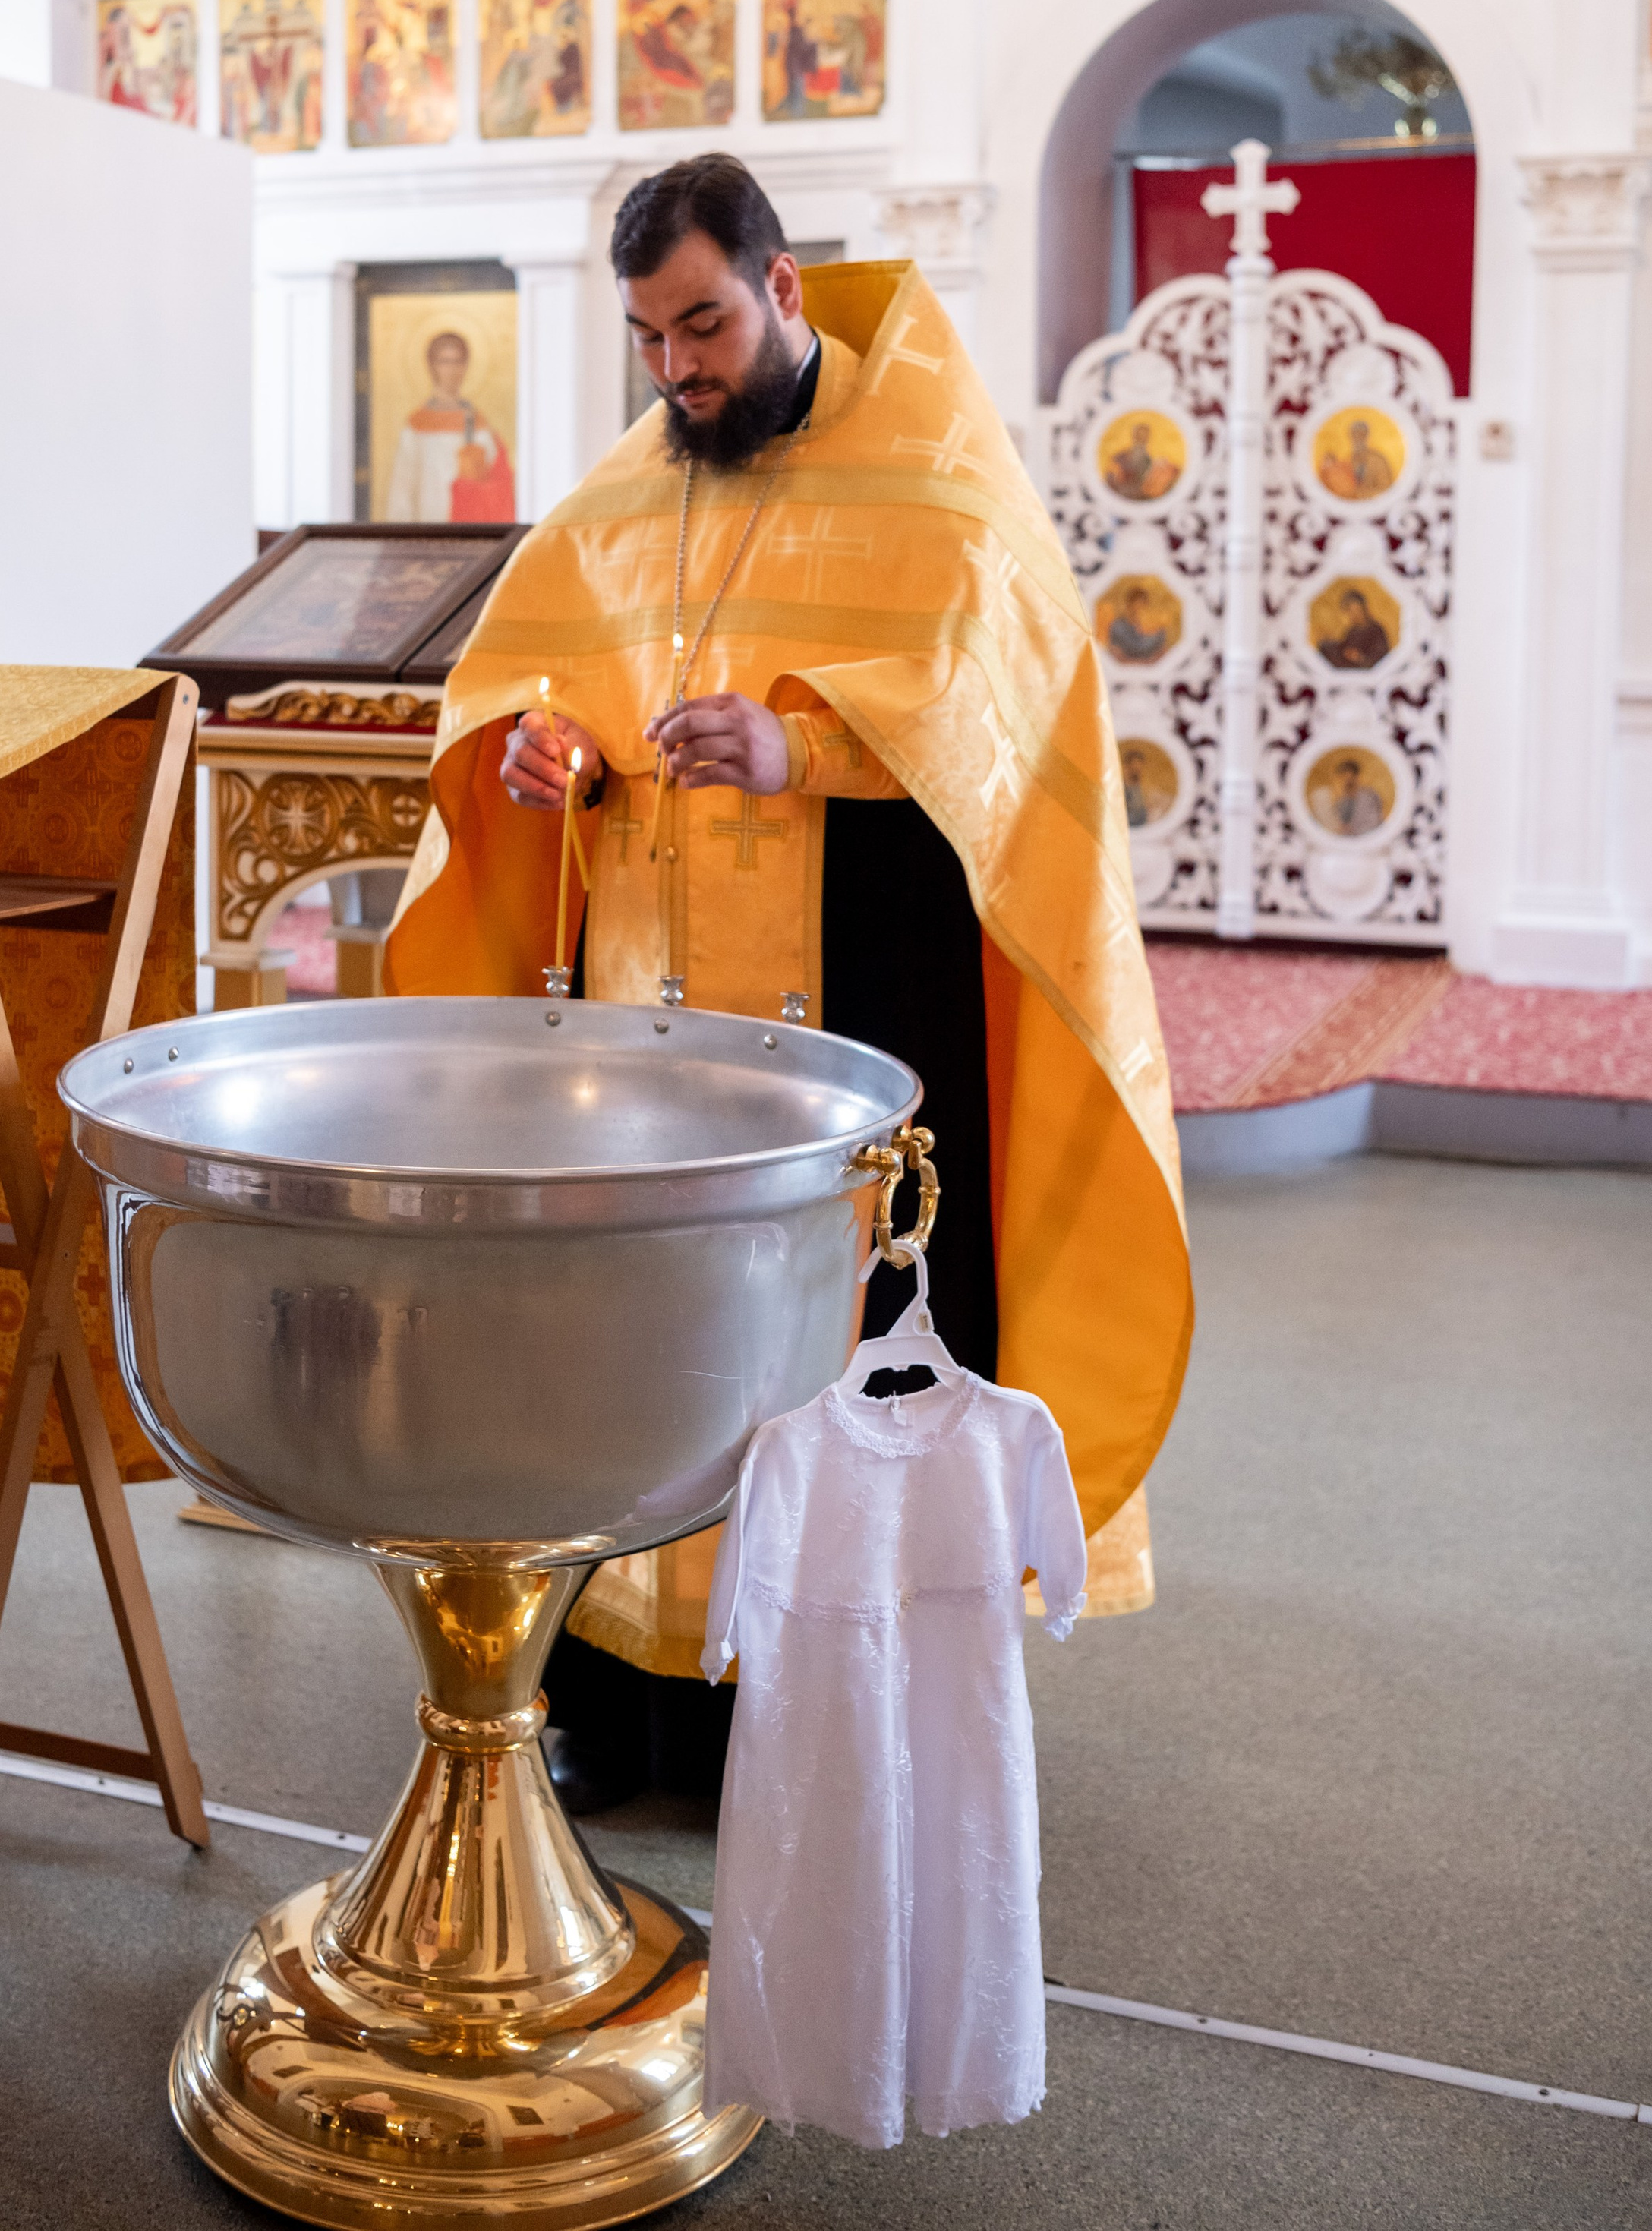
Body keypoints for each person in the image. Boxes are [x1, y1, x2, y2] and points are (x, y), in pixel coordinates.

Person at [386, 154, 1190, 1810]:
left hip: (852, 1000)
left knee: (818, 1344)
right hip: (650, 1019)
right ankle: (625, 1702)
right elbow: (534, 690)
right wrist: (553, 756)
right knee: (637, 1344)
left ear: (781, 289)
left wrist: (798, 740)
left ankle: (819, 1710)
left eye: (702, 324)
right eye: (648, 338)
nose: (679, 369)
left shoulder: (937, 470)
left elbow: (1002, 717)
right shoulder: (631, 486)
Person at [386, 330, 515, 523]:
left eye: (458, 361)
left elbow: (497, 480)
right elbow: (402, 487)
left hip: (467, 526)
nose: (452, 370)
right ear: (432, 366)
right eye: (444, 361)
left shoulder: (477, 422)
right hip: (426, 526)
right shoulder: (417, 424)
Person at [1318, 584, 1391, 671]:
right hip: (1348, 666)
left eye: (1356, 610)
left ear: (1364, 609)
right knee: (1325, 646)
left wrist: (1360, 658)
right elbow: (1345, 647)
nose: (1354, 615)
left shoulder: (1376, 630)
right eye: (1350, 611)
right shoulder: (1353, 630)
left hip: (1364, 671)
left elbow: (1382, 659)